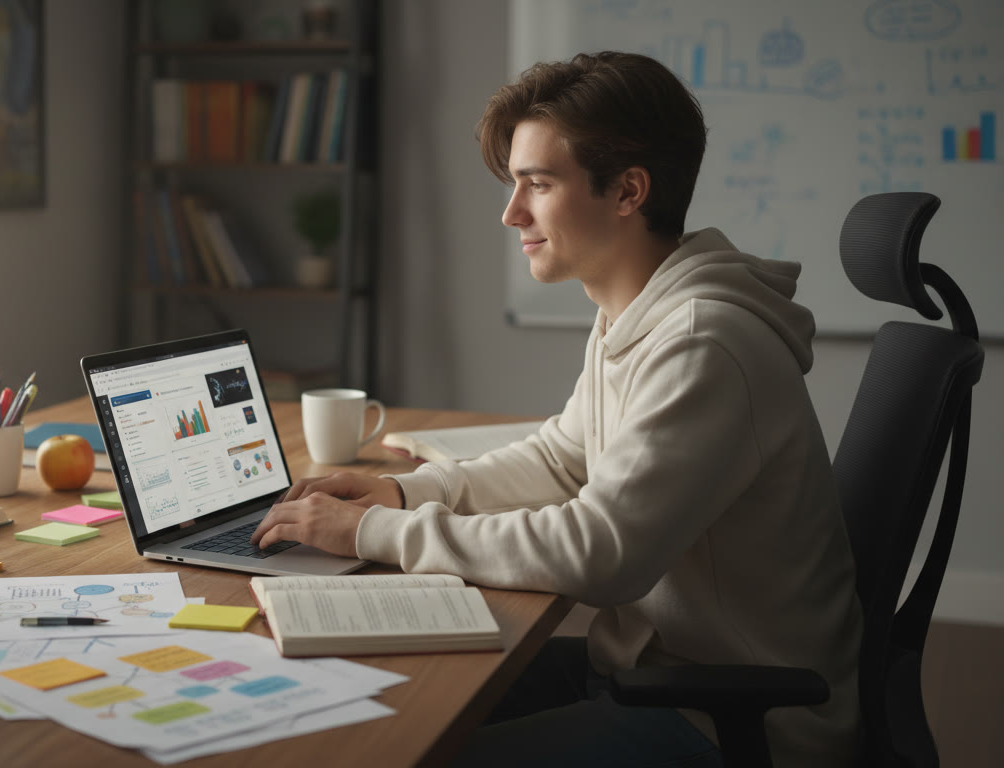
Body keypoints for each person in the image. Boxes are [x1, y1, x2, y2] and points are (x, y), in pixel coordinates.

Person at [251, 51, 862, 767]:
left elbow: (599, 555)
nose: (512, 213)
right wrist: (405, 490)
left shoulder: (704, 343)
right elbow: (562, 457)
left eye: (537, 184)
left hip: (732, 718)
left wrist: (375, 532)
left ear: (629, 191)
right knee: (380, 698)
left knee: (411, 743)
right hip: (655, 671)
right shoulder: (639, 310)